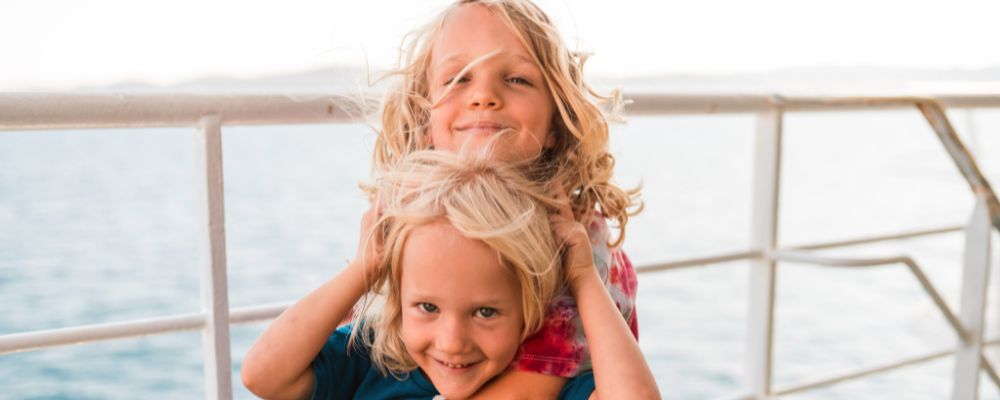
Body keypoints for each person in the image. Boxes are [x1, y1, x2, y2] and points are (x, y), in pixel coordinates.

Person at [371, 0, 644, 397]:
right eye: (457, 79)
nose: (484, 96)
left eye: (516, 79)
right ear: (423, 114)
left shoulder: (578, 241)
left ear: (556, 120)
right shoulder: (410, 219)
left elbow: (527, 392)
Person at [241, 148, 658, 399]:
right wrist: (364, 269)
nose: (452, 342)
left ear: (529, 314)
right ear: (400, 303)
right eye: (427, 307)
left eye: (486, 313)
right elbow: (262, 375)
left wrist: (583, 277)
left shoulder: (552, 388)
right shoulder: (374, 360)